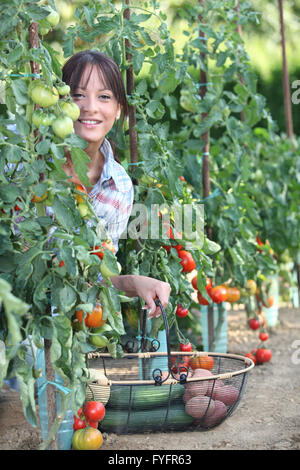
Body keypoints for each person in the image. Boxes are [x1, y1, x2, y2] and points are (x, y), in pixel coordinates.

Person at [61, 50, 170, 318]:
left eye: (104, 97)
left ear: (119, 109)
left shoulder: (120, 187)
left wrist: (132, 282)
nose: (90, 107)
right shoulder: (31, 168)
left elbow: (96, 277)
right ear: (59, 102)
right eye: (77, 95)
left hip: (68, 336)